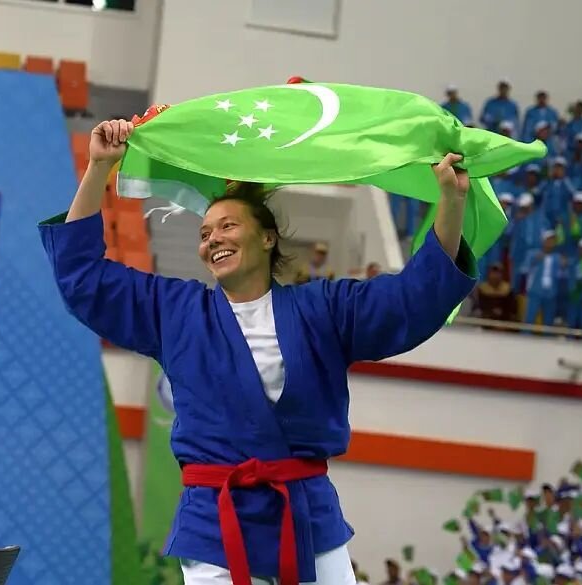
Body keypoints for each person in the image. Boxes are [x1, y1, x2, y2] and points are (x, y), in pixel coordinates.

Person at [40, 120, 478, 585]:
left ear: (267, 238)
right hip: (215, 521)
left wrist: (450, 201)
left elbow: (413, 298)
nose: (212, 239)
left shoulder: (324, 310)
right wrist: (99, 167)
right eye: (204, 233)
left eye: (227, 226)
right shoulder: (173, 312)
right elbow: (81, 277)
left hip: (306, 517)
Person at [524, 230, 561, 326]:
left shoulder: (557, 258)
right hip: (535, 291)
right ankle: (525, 334)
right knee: (530, 318)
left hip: (551, 293)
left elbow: (561, 274)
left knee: (548, 321)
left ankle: (547, 335)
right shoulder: (533, 254)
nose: (551, 243)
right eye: (548, 240)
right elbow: (524, 269)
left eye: (553, 240)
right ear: (543, 241)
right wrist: (534, 261)